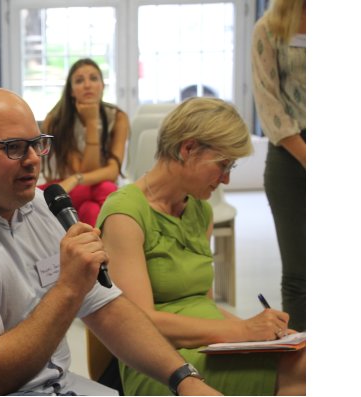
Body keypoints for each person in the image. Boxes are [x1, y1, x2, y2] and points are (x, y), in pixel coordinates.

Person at [0, 87, 221, 396]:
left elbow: (107, 309)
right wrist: (69, 287)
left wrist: (184, 378)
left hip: (66, 385)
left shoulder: (42, 205)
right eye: (13, 147)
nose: (31, 160)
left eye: (37, 144)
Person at [96, 97, 306, 395]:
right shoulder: (125, 213)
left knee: (302, 354)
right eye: (223, 165)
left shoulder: (199, 211)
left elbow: (202, 305)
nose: (227, 178)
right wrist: (242, 331)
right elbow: (139, 322)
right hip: (159, 363)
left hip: (207, 346)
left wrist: (269, 334)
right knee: (304, 369)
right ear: (188, 149)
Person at [251, 0, 306, 331]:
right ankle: (304, 364)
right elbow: (267, 100)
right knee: (299, 273)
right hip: (291, 155)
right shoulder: (268, 28)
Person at [40, 58, 129, 226]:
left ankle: (97, 246)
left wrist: (77, 178)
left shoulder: (117, 117)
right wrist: (91, 122)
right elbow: (88, 171)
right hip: (65, 186)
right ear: (71, 91)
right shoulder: (55, 121)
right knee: (106, 190)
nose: (87, 85)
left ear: (102, 86)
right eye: (79, 80)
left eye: (94, 79)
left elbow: (112, 171)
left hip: (84, 187)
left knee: (92, 208)